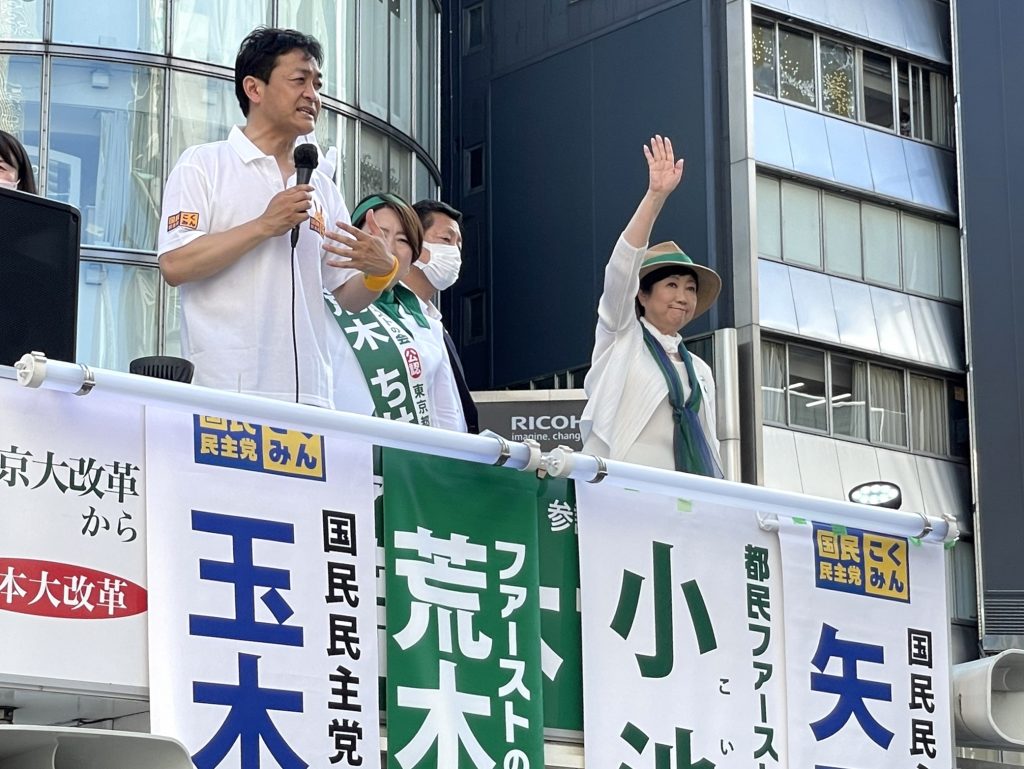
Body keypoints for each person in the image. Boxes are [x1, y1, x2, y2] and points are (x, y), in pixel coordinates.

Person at [157, 27, 395, 406]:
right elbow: (174, 264)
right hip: (227, 392)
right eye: (299, 80)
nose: (312, 95)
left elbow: (347, 295)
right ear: (254, 89)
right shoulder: (204, 164)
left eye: (317, 84)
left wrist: (381, 272)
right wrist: (264, 226)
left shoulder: (323, 187)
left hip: (314, 399)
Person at [581, 135, 723, 476]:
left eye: (690, 288)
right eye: (671, 285)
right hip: (620, 485)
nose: (682, 296)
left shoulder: (700, 370)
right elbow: (621, 270)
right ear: (642, 295)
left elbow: (711, 443)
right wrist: (655, 197)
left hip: (684, 496)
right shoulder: (622, 338)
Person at [324, 193, 466, 431]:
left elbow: (447, 420)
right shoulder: (321, 301)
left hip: (397, 463)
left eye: (402, 240)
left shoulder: (428, 326)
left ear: (415, 255)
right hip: (328, 453)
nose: (385, 247)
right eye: (376, 234)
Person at [407, 199, 479, 434]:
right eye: (446, 239)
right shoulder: (383, 314)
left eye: (458, 244)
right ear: (412, 241)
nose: (455, 251)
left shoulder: (435, 325)